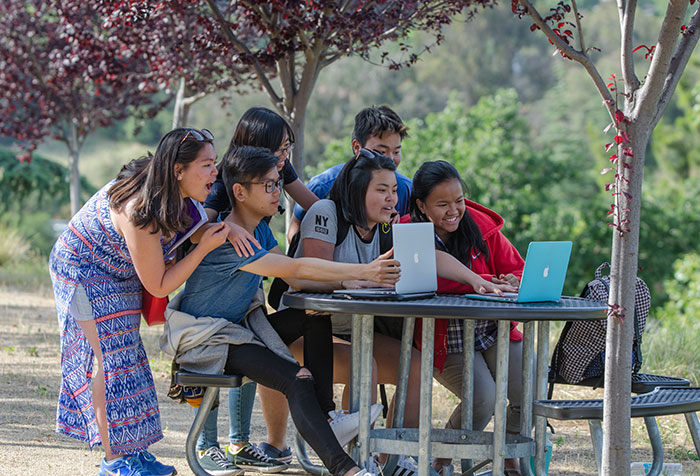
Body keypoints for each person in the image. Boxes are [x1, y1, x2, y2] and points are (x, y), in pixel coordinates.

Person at [163, 145, 401, 476]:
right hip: (210, 340)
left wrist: (347, 283)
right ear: (240, 192)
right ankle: (346, 470)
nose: (278, 192)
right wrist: (362, 272)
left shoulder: (259, 230)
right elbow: (298, 268)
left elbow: (293, 272)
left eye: (278, 183)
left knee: (315, 313)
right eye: (269, 185)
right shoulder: (231, 239)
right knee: (297, 380)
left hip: (241, 330)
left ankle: (328, 417)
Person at [290, 150, 515, 474]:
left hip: (355, 330)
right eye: (381, 190)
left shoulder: (386, 228)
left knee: (416, 365)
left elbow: (432, 256)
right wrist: (360, 275)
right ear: (357, 189)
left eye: (394, 190)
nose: (392, 199)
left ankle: (394, 459)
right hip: (308, 330)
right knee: (363, 365)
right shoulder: (326, 211)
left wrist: (476, 280)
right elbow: (308, 276)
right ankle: (357, 460)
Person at [48, 128, 229, 476]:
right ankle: (115, 463)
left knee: (129, 358)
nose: (214, 172)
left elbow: (195, 226)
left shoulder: (170, 188)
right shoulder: (141, 210)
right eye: (207, 165)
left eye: (214, 163)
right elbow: (159, 285)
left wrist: (220, 230)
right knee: (112, 360)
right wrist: (205, 248)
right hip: (85, 269)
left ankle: (133, 452)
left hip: (118, 269)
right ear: (178, 170)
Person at [195, 106, 321, 470]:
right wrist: (228, 229)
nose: (285, 159)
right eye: (280, 150)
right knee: (220, 357)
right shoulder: (222, 183)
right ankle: (206, 445)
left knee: (253, 344)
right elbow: (201, 228)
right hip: (217, 291)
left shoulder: (278, 167)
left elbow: (313, 205)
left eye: (286, 151)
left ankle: (238, 442)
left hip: (249, 289)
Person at [407, 160, 527, 476]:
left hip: (492, 330)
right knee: (482, 398)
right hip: (447, 338)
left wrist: (513, 280)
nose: (454, 210)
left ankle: (509, 458)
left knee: (528, 389)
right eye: (442, 204)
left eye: (458, 201)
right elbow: (431, 277)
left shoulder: (480, 227)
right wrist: (483, 279)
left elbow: (518, 266)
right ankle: (441, 462)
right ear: (422, 205)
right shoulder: (407, 230)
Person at [288, 104, 411, 241]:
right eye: (381, 152)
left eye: (396, 152)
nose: (390, 159)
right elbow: (296, 225)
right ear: (357, 147)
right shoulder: (324, 185)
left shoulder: (405, 188)